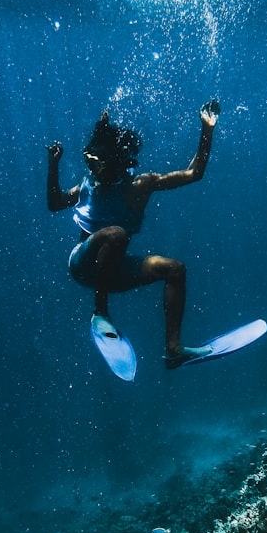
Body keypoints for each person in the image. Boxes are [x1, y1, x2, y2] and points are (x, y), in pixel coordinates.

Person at [47, 99, 220, 368]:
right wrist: (54, 165)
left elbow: (194, 173)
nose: (91, 171)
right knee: (116, 233)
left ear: (115, 164)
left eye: (96, 165)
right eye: (88, 163)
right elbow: (55, 203)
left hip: (114, 270)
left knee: (175, 269)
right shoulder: (87, 186)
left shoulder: (141, 185)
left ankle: (174, 349)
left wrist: (207, 129)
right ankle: (100, 311)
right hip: (82, 264)